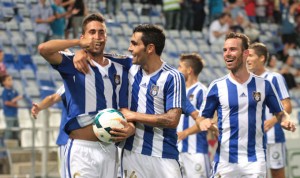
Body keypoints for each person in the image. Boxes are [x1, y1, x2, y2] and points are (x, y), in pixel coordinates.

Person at [74, 24, 186, 178]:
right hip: (131, 154)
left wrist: (133, 115)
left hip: (164, 156)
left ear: (150, 48)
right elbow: (96, 54)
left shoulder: (173, 76)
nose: (129, 48)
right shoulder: (129, 66)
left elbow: (172, 120)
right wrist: (81, 52)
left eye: (134, 43)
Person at [38, 13, 135, 178]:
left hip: (110, 150)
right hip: (82, 150)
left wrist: (131, 127)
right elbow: (43, 49)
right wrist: (78, 45)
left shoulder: (122, 66)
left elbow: (125, 107)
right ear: (83, 36)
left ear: (106, 36)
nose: (97, 37)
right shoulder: (71, 63)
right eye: (92, 32)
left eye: (101, 32)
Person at [198, 32, 296, 178]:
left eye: (232, 49)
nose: (227, 54)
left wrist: (285, 120)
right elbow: (202, 117)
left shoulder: (264, 84)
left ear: (245, 53)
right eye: (225, 50)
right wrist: (205, 122)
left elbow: (281, 112)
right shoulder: (216, 86)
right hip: (225, 160)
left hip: (255, 160)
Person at [247, 42, 292, 178]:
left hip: (273, 137)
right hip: (253, 139)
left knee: (277, 173)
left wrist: (273, 120)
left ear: (261, 58)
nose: (247, 59)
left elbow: (287, 106)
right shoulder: (247, 81)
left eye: (251, 55)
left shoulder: (274, 77)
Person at [176, 53, 211, 178]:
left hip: (196, 152)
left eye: (180, 67)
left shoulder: (202, 91)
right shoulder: (179, 91)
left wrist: (185, 133)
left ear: (189, 70)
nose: (178, 70)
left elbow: (207, 121)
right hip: (179, 150)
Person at [31, 85, 68, 177]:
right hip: (79, 139)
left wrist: (39, 107)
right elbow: (53, 98)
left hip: (69, 140)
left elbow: (53, 98)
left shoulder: (72, 80)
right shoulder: (73, 80)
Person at [0, 74, 23, 141]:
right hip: (9, 114)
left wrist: (14, 100)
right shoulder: (5, 92)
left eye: (11, 79)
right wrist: (15, 103)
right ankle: (6, 145)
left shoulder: (14, 90)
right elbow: (6, 102)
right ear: (4, 82)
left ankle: (16, 145)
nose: (11, 81)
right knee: (9, 130)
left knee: (16, 130)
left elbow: (19, 96)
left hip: (15, 114)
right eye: (9, 80)